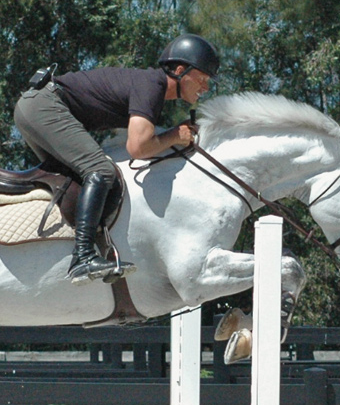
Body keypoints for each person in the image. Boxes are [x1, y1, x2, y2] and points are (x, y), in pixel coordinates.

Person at [14, 34, 220, 284]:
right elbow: (138, 147)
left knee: (77, 182)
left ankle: (59, 253)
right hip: (44, 106)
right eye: (202, 78)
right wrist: (176, 134)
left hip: (35, 106)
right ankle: (83, 257)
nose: (206, 88)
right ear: (179, 70)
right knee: (101, 170)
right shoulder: (152, 86)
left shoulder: (149, 86)